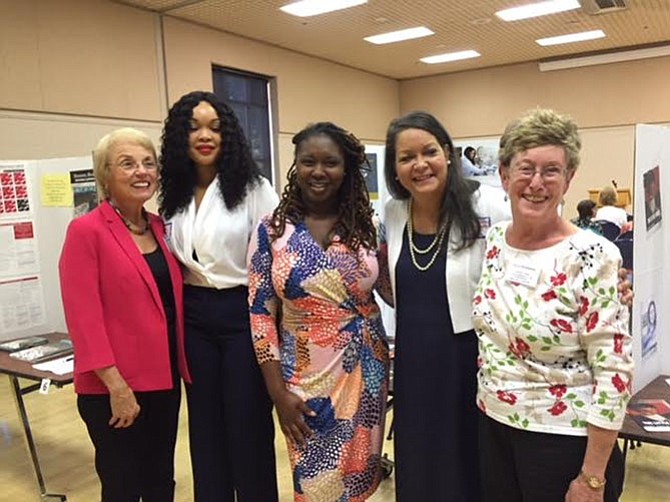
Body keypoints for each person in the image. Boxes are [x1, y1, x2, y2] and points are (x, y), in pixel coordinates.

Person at [473, 108, 634, 502]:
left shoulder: (594, 255)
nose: (537, 183)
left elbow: (615, 372)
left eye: (551, 171)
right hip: (494, 427)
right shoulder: (495, 242)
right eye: (525, 168)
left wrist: (592, 477)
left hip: (564, 440)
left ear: (569, 179)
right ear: (505, 175)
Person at [247, 122, 390, 501]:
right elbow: (260, 315)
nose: (319, 171)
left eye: (330, 162)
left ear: (346, 170)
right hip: (304, 373)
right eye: (308, 161)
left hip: (366, 367)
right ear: (296, 166)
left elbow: (395, 290)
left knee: (359, 477)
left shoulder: (368, 226)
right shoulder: (272, 231)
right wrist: (277, 392)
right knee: (314, 480)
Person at [382, 111, 511, 501]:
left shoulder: (487, 203)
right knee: (419, 458)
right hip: (412, 357)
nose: (419, 165)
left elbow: (533, 250)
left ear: (448, 154)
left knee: (464, 459)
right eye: (406, 158)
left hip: (467, 356)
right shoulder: (392, 212)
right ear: (395, 168)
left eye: (429, 152)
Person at [159, 91, 279, 502]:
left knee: (247, 424)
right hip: (193, 316)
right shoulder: (172, 192)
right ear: (180, 137)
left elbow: (276, 256)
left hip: (242, 313)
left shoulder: (253, 188)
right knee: (205, 429)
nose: (205, 136)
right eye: (193, 128)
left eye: (215, 127)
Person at [59, 128, 191, 501]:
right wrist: (116, 386)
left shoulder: (159, 227)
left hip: (163, 381)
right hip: (114, 388)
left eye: (149, 163)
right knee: (122, 486)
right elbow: (83, 317)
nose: (141, 172)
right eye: (127, 164)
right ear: (104, 175)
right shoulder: (86, 231)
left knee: (161, 481)